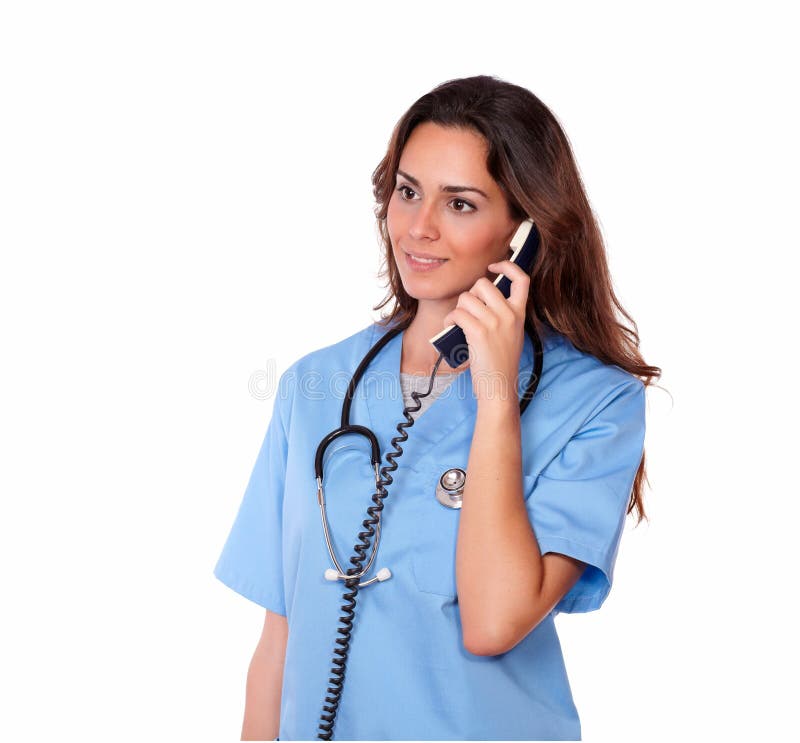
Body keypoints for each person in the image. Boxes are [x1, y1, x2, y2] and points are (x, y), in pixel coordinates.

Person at [213, 74, 662, 741]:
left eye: (460, 203)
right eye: (407, 191)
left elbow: (494, 621)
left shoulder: (595, 400)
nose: (418, 228)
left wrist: (495, 396)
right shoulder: (315, 386)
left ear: (524, 229)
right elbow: (280, 636)